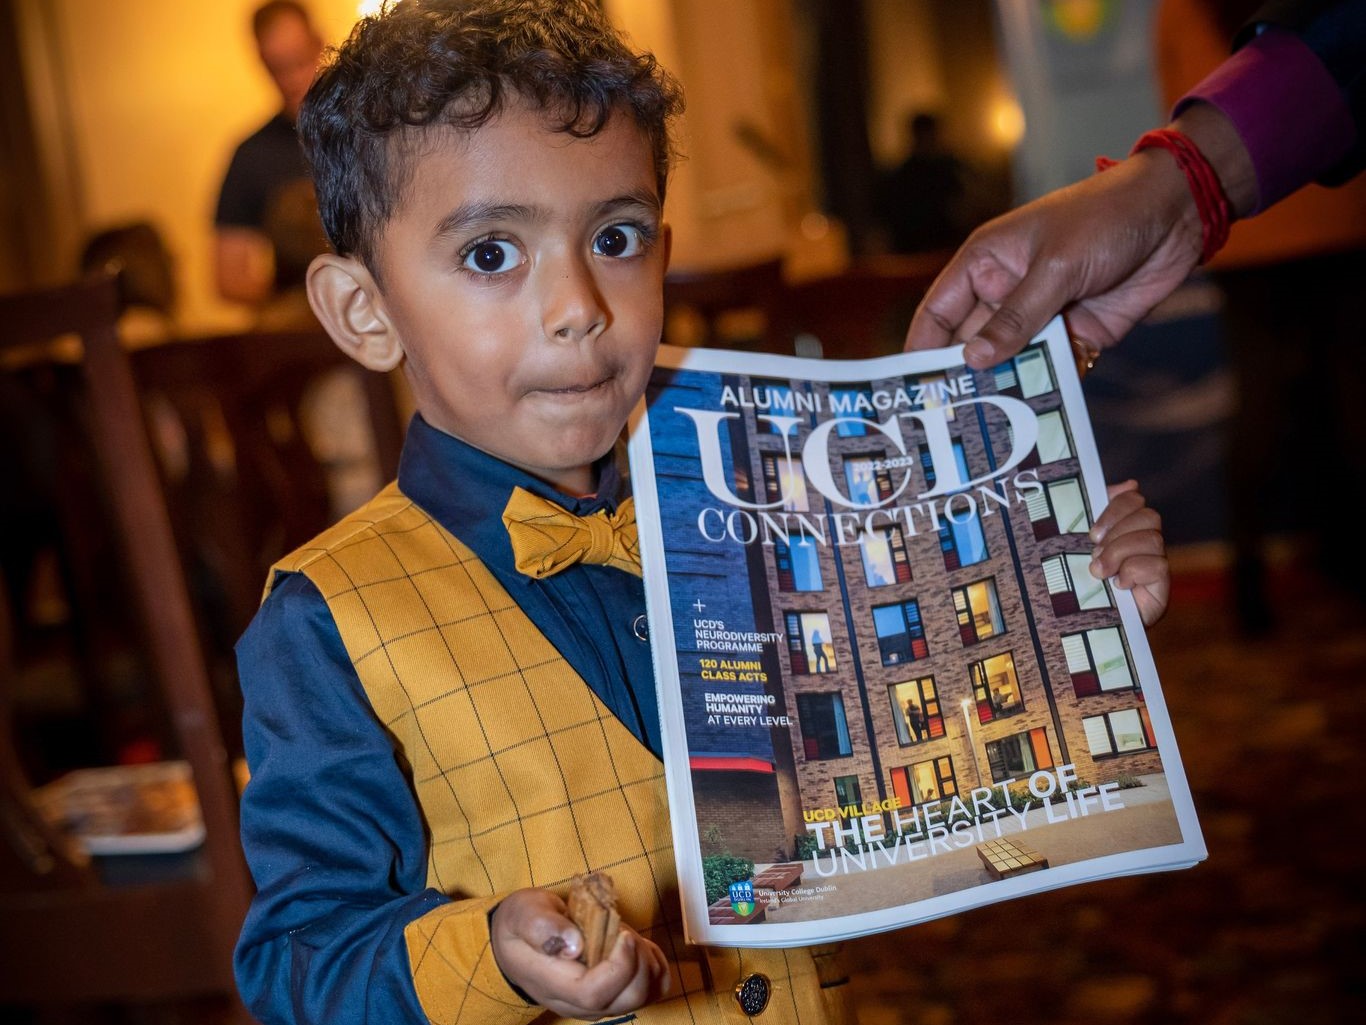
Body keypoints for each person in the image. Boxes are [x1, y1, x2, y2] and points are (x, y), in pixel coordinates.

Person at [232, 3, 1173, 1023]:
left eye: (617, 236)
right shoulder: (323, 620)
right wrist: (491, 954)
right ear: (363, 311)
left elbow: (912, 753)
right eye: (491, 254)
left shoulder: (767, 511)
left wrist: (1065, 595)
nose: (579, 303)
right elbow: (299, 959)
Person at [904, 0, 1366, 370]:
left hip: (1273, 236)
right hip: (1323, 222)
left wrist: (1178, 187)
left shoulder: (1181, 15)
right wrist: (1177, 190)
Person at [213, 1, 328, 324]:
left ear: (320, 44)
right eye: (278, 68)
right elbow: (229, 277)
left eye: (300, 61)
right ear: (261, 63)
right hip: (300, 326)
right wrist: (300, 298)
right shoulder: (251, 155)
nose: (291, 79)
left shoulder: (369, 130)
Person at [875, 111, 970, 255]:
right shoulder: (901, 177)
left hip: (944, 250)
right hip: (912, 253)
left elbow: (960, 208)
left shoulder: (947, 169)